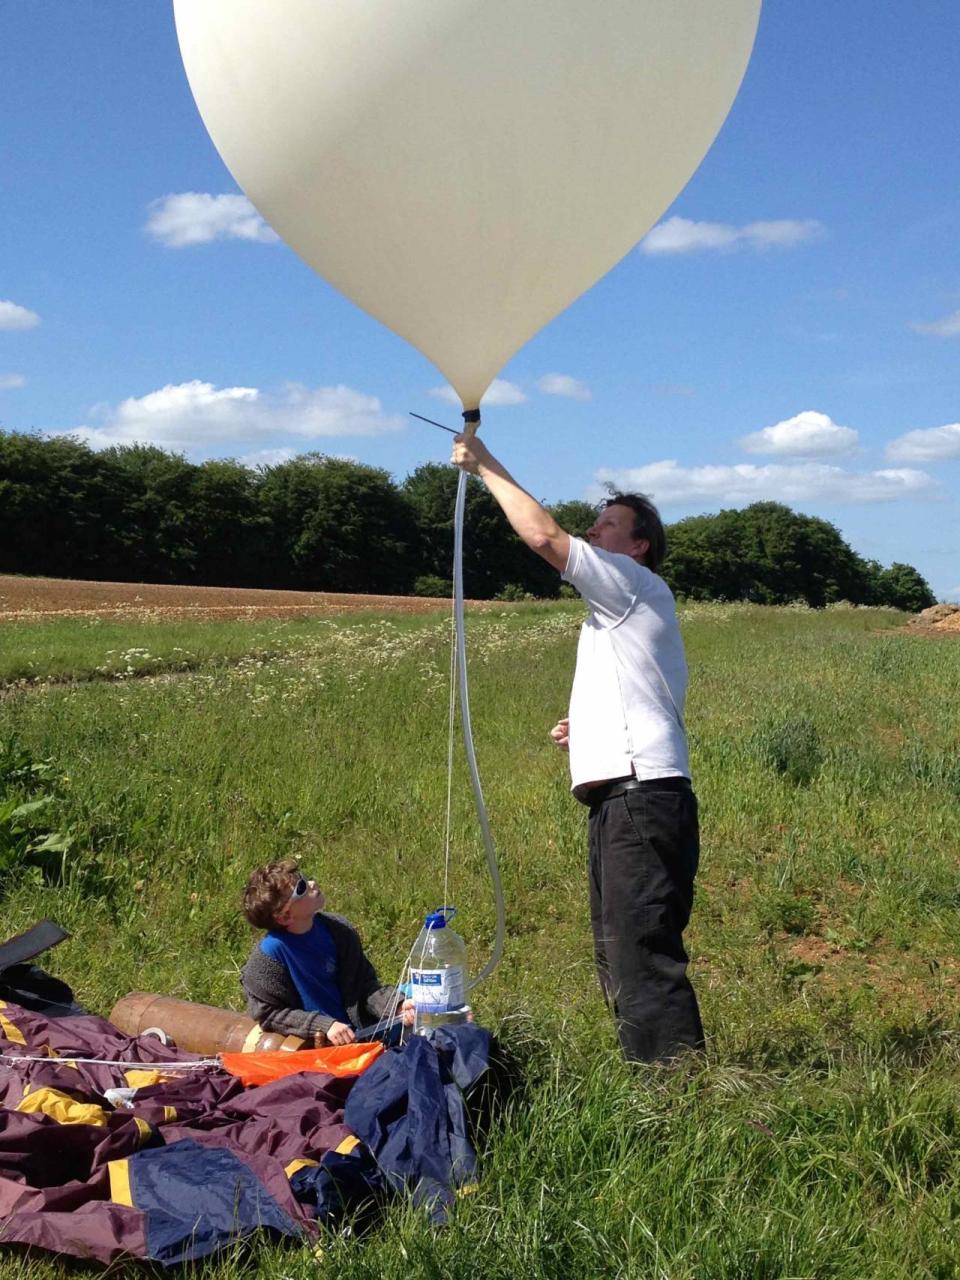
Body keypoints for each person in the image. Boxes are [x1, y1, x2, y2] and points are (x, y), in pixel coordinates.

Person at [452, 434, 704, 1064]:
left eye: (608, 525)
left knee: (641, 952)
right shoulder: (615, 612)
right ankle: (649, 1080)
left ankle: (675, 1095)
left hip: (641, 798)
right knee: (618, 950)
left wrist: (483, 463)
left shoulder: (630, 581)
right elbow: (646, 693)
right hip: (624, 798)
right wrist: (585, 727)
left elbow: (542, 536)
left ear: (638, 544)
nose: (593, 532)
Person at [240, 859, 414, 1046]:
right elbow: (269, 1014)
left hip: (365, 1028)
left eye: (304, 878)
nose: (312, 884)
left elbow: (364, 985)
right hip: (323, 1047)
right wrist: (323, 1026)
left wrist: (396, 1006)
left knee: (430, 994)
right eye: (301, 888)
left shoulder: (338, 929)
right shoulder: (267, 959)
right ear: (285, 916)